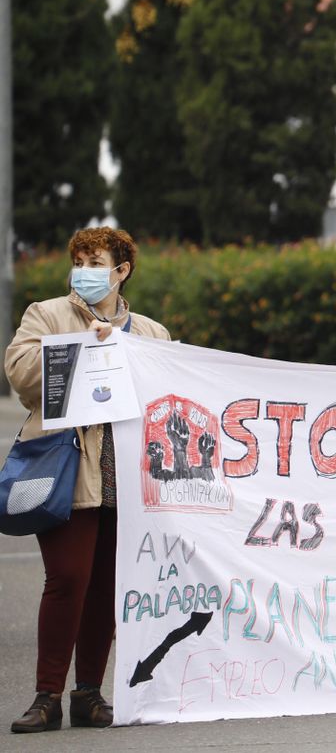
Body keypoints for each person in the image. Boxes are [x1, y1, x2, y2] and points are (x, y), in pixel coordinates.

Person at [5, 228, 172, 733]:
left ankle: (88, 695)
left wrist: (125, 349)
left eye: (95, 261)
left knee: (104, 587)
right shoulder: (46, 314)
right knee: (68, 580)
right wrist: (83, 348)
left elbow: (170, 393)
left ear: (121, 271)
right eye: (78, 260)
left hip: (126, 475)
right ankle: (45, 696)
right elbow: (20, 376)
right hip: (67, 469)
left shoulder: (150, 332)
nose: (84, 270)